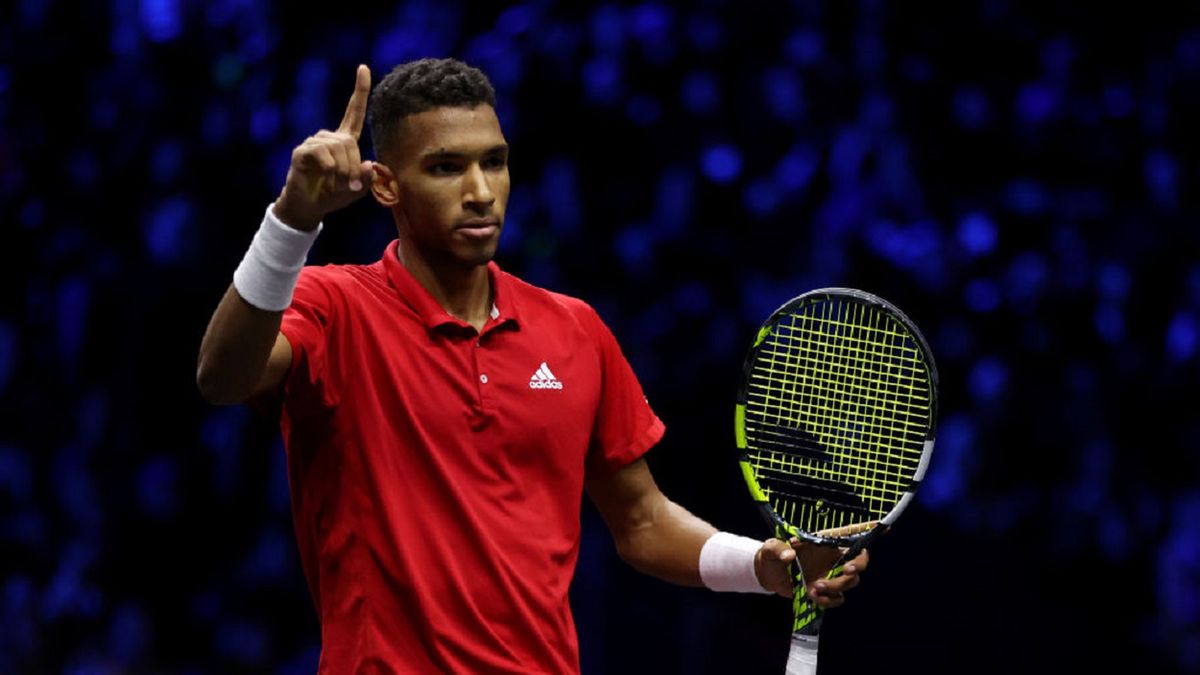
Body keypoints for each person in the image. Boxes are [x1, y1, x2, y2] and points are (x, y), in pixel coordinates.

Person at [196, 57, 868, 674]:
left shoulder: (573, 328)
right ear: (385, 186)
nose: (481, 191)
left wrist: (760, 564)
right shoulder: (334, 306)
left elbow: (640, 520)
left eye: (495, 162)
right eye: (446, 167)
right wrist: (292, 220)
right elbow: (222, 377)